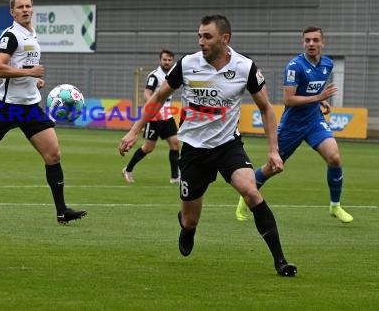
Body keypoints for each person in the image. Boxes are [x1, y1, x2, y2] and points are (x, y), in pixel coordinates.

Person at [119, 15, 297, 277]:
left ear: (225, 39)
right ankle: (187, 228)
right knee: (190, 219)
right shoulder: (187, 64)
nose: (201, 41)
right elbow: (158, 96)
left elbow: (267, 109)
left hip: (227, 146)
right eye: (199, 36)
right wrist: (135, 129)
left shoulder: (245, 67)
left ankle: (281, 261)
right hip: (192, 148)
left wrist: (273, 150)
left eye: (207, 36)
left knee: (251, 192)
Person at [0, 0, 86, 224]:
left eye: (28, 6)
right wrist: (29, 71)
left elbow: (22, 67)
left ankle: (61, 210)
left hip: (31, 106)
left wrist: (34, 79)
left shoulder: (32, 34)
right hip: (8, 107)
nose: (25, 10)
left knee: (53, 155)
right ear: (12, 12)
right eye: (20, 7)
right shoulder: (10, 35)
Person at [235, 26, 353, 223]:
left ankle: (335, 206)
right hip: (292, 125)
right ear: (303, 43)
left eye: (315, 40)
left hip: (314, 121)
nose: (311, 44)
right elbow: (288, 100)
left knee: (334, 157)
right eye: (307, 40)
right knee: (273, 167)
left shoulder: (328, 64)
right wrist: (319, 96)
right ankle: (245, 196)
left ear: (323, 43)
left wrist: (320, 100)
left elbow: (309, 90)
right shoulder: (294, 66)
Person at [122, 49, 180, 184]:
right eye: (164, 59)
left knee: (175, 143)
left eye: (169, 60)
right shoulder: (155, 76)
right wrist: (154, 109)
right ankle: (128, 169)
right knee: (148, 148)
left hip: (168, 116)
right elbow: (147, 94)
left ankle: (175, 177)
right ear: (160, 60)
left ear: (172, 61)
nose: (167, 62)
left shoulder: (172, 74)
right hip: (154, 116)